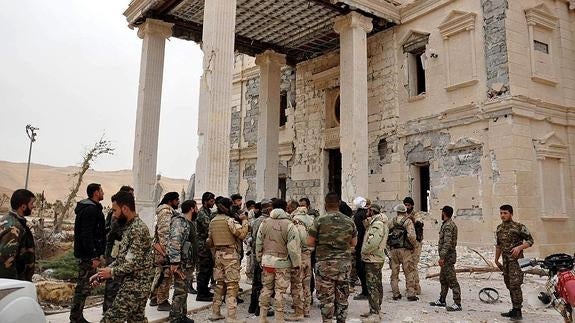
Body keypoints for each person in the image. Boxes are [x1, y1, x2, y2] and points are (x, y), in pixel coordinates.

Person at [92, 190, 154, 323]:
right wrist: (102, 273)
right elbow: (123, 260)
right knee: (136, 319)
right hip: (134, 283)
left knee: (110, 319)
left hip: (136, 285)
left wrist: (111, 272)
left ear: (125, 209)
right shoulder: (130, 227)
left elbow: (133, 264)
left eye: (115, 210)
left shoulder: (137, 229)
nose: (113, 215)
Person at [308, 192, 357, 323]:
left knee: (326, 299)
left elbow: (309, 242)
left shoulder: (319, 221)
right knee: (342, 298)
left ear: (325, 204)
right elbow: (354, 243)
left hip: (324, 265)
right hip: (343, 265)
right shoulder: (349, 221)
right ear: (339, 204)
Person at [256, 199, 301, 323]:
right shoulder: (289, 224)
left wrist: (259, 258)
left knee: (266, 288)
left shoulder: (264, 222)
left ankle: (262, 317)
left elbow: (259, 242)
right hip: (282, 262)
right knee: (280, 291)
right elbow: (293, 248)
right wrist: (296, 263)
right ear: (285, 208)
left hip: (267, 261)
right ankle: (279, 318)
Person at [206, 197, 248, 323]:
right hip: (230, 256)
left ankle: (215, 312)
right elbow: (242, 234)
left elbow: (210, 241)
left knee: (219, 285)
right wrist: (245, 221)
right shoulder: (229, 221)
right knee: (232, 286)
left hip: (218, 256)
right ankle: (231, 317)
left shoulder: (212, 221)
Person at [70, 183, 106, 323]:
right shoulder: (90, 210)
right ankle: (76, 318)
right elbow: (87, 235)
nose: (103, 193)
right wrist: (93, 256)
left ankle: (77, 316)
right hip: (87, 257)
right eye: (101, 191)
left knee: (84, 287)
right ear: (96, 193)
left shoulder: (91, 209)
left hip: (88, 255)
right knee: (82, 288)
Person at [495, 204, 534, 321]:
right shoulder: (499, 228)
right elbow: (498, 245)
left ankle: (518, 311)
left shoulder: (519, 227)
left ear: (511, 214)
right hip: (505, 262)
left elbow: (531, 241)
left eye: (505, 213)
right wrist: (496, 259)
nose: (503, 215)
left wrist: (519, 248)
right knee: (508, 284)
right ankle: (514, 308)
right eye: (501, 213)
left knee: (515, 285)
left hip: (516, 262)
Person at [103, 185, 134, 313]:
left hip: (120, 250)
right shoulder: (116, 213)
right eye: (131, 195)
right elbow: (115, 231)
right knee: (112, 282)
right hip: (115, 251)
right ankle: (109, 310)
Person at [168, 199, 198, 323]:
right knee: (180, 291)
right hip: (181, 264)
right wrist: (175, 263)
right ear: (191, 208)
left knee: (184, 290)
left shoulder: (189, 223)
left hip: (187, 263)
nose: (197, 210)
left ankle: (182, 316)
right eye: (196, 208)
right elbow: (175, 242)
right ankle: (175, 318)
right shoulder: (180, 222)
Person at [150, 192, 180, 311]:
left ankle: (154, 298)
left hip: (162, 250)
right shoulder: (166, 212)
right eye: (176, 200)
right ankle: (162, 301)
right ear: (170, 201)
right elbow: (164, 233)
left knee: (161, 274)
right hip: (164, 250)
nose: (178, 202)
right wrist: (168, 252)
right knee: (165, 275)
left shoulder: (168, 211)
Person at [429, 205, 462, 311]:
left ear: (444, 213)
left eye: (442, 212)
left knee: (452, 281)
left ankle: (457, 303)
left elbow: (447, 243)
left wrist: (442, 257)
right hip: (446, 257)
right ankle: (442, 300)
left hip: (448, 258)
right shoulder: (447, 224)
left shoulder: (448, 226)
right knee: (443, 279)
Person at [359, 204, 388, 321]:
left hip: (373, 258)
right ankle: (375, 309)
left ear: (372, 211)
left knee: (372, 286)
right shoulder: (378, 223)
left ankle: (375, 313)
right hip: (375, 257)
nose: (367, 213)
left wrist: (363, 250)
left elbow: (373, 242)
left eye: (368, 211)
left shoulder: (377, 224)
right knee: (376, 284)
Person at [0, 189, 36, 281]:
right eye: (31, 204)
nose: (33, 206)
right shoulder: (13, 227)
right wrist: (14, 284)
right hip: (13, 282)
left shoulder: (14, 221)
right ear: (23, 206)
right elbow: (6, 261)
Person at [286, 206, 315, 320]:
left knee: (297, 285)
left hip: (299, 255)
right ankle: (306, 310)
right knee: (306, 284)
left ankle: (298, 312)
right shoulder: (312, 221)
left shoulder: (295, 221)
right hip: (308, 254)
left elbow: (298, 239)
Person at [387, 204, 418, 301]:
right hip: (405, 250)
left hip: (393, 249)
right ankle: (410, 294)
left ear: (397, 212)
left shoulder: (392, 221)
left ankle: (396, 293)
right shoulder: (407, 221)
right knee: (409, 271)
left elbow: (387, 233)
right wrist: (414, 246)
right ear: (405, 212)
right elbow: (411, 236)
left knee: (394, 272)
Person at [248, 201, 274, 317]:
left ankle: (252, 306)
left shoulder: (255, 221)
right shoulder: (268, 222)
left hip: (255, 254)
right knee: (264, 282)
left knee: (256, 281)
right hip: (264, 255)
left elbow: (252, 238)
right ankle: (261, 308)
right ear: (269, 210)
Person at [196, 191, 216, 302]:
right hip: (202, 245)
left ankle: (205, 290)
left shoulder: (208, 211)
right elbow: (209, 227)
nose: (213, 203)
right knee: (203, 270)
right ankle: (201, 293)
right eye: (211, 201)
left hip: (207, 245)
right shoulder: (202, 213)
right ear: (205, 201)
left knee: (208, 269)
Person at [404, 196, 424, 294]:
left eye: (408, 205)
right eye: (405, 205)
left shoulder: (416, 214)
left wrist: (413, 219)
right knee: (408, 265)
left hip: (416, 243)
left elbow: (420, 224)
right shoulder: (404, 215)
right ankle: (410, 285)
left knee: (414, 265)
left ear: (412, 205)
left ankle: (417, 287)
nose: (407, 207)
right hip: (407, 244)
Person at [352, 196, 369, 301]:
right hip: (366, 244)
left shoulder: (359, 216)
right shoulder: (366, 213)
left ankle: (365, 291)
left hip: (360, 244)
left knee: (360, 268)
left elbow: (359, 232)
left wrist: (356, 245)